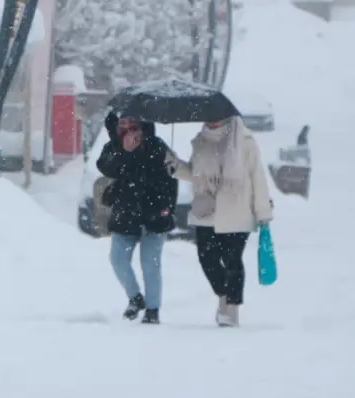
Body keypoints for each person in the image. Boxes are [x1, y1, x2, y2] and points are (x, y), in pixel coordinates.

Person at [168, 116, 273, 327]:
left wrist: (263, 212)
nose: (213, 120)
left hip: (237, 210)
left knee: (232, 259)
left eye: (218, 116)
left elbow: (258, 178)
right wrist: (174, 165)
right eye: (210, 116)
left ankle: (232, 308)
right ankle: (224, 296)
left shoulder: (244, 142)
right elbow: (195, 174)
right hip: (207, 210)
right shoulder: (201, 141)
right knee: (207, 259)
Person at [96, 113, 178, 325]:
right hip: (126, 213)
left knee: (150, 263)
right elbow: (106, 167)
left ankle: (153, 309)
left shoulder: (156, 146)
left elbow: (169, 177)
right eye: (123, 123)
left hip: (154, 213)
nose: (129, 129)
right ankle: (135, 297)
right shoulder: (114, 145)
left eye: (133, 124)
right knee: (118, 259)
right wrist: (124, 150)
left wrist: (167, 206)